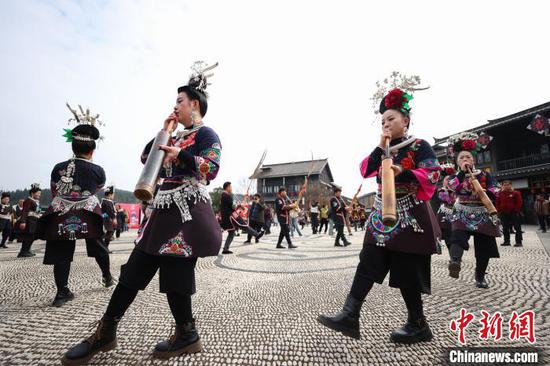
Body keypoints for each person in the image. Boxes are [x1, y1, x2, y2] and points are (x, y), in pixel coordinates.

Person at [61, 61, 223, 364]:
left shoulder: (206, 134)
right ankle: (105, 333)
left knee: (176, 279)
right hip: (161, 213)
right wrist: (164, 131)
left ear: (195, 104)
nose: (174, 106)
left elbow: (210, 168)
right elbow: (145, 157)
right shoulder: (172, 134)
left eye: (179, 102)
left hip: (184, 216)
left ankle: (187, 334)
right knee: (133, 271)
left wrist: (183, 155)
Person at [318, 88, 441, 344]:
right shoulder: (382, 149)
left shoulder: (419, 146)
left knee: (407, 269)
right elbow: (365, 169)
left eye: (391, 119)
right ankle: (350, 314)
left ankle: (418, 324)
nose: (386, 124)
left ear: (405, 121)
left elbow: (432, 174)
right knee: (368, 259)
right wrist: (381, 145)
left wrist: (403, 172)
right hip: (380, 215)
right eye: (383, 121)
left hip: (409, 214)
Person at [37, 116, 114, 307]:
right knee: (98, 245)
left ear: (73, 147)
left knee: (61, 249)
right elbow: (99, 187)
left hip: (61, 212)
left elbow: (55, 189)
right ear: (92, 150)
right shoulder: (98, 170)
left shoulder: (58, 168)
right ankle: (107, 276)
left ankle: (62, 292)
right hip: (88, 212)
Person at [446, 132, 501, 289]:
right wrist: (462, 172)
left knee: (484, 245)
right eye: (462, 158)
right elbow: (451, 187)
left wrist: (486, 192)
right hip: (462, 210)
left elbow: (496, 188)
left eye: (468, 157)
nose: (465, 160)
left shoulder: (485, 174)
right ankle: (455, 261)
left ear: (474, 159)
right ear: (457, 161)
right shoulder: (456, 176)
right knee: (457, 236)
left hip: (482, 212)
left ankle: (480, 276)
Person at [220, 182, 263, 254]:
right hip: (230, 216)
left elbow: (232, 206)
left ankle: (225, 249)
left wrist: (242, 202)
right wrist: (242, 203)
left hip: (227, 216)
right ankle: (257, 235)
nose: (231, 188)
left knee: (232, 232)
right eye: (230, 187)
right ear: (227, 187)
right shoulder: (227, 196)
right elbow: (233, 206)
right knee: (243, 225)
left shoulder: (223, 195)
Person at [17, 183, 43, 257]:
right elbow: (25, 211)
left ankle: (27, 250)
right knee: (28, 236)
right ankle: (23, 251)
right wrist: (23, 222)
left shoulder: (35, 201)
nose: (39, 195)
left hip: (34, 221)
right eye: (38, 193)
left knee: (32, 236)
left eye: (40, 193)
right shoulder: (28, 200)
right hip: (29, 221)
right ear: (32, 193)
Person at [496, 180, 523, 246]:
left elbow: (519, 202)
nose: (506, 186)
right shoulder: (500, 193)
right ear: (502, 186)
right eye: (504, 185)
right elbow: (497, 202)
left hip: (514, 213)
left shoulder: (516, 193)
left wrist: (516, 210)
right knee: (505, 228)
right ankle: (506, 241)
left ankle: (519, 242)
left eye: (507, 185)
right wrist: (499, 210)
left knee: (517, 228)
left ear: (511, 185)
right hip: (503, 213)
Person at [437, 171, 456, 250]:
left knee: (455, 236)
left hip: (455, 215)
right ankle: (453, 256)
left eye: (450, 180)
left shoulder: (456, 190)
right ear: (443, 181)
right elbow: (446, 200)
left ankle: (455, 254)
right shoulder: (441, 190)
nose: (448, 181)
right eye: (446, 179)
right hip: (444, 216)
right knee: (448, 237)